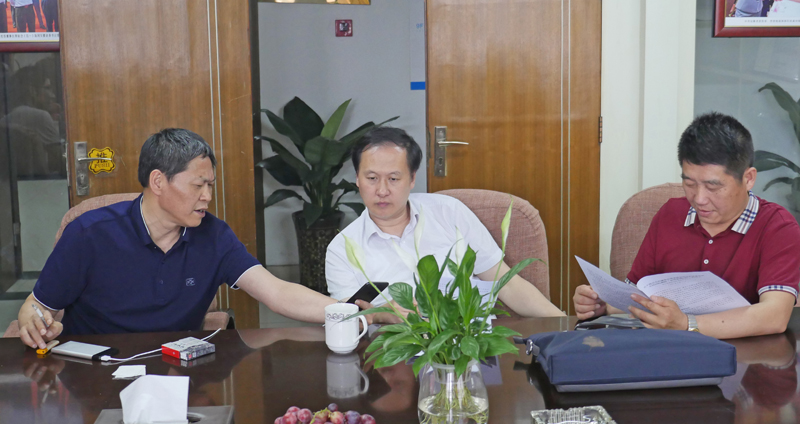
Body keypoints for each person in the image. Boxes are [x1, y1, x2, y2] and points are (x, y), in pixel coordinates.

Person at [17, 128, 338, 349]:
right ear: (158, 182)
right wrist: (34, 322)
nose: (207, 196)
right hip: (94, 374)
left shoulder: (214, 235)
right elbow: (37, 306)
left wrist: (349, 312)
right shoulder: (89, 233)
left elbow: (278, 292)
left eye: (210, 186)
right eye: (198, 185)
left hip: (176, 371)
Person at [573, 112, 800, 339]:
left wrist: (686, 324)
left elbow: (774, 316)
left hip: (748, 356)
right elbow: (639, 296)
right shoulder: (670, 214)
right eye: (689, 183)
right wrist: (604, 304)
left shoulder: (778, 228)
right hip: (669, 352)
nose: (699, 199)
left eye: (713, 187)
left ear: (748, 178)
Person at [325, 127, 563, 321]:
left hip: (469, 345)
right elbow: (349, 320)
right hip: (391, 354)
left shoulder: (448, 212)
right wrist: (383, 314)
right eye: (372, 178)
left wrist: (563, 325)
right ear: (357, 179)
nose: (382, 190)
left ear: (412, 179)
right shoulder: (341, 249)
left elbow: (506, 284)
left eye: (394, 178)